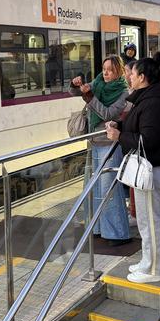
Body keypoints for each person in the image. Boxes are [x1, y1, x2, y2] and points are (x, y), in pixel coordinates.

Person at [106, 52, 160, 284]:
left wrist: (119, 136)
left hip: (152, 167)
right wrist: (122, 124)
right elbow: (139, 124)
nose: (129, 77)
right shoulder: (147, 98)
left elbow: (148, 139)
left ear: (143, 77)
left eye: (132, 74)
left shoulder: (153, 102)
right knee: (145, 219)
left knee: (151, 219)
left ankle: (154, 268)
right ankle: (147, 261)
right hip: (149, 166)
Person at [70, 55, 131, 246]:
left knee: (108, 190)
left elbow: (107, 114)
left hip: (109, 144)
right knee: (93, 188)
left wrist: (89, 96)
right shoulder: (97, 83)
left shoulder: (123, 92)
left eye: (110, 70)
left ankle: (117, 233)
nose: (105, 73)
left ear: (119, 72)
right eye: (104, 68)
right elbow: (74, 92)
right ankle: (96, 228)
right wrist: (76, 85)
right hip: (94, 142)